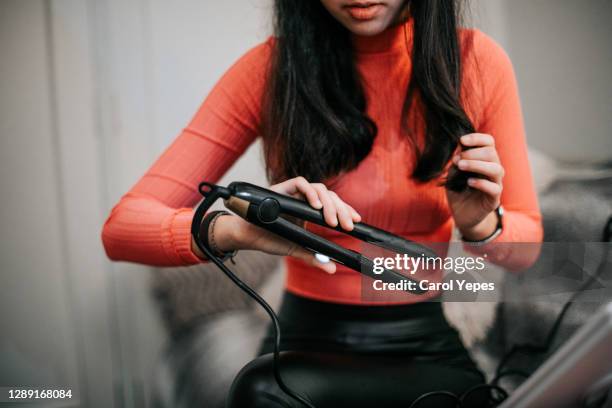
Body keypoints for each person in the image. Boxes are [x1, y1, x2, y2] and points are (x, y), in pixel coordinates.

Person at [102, 0, 543, 406]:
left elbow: (529, 248)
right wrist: (238, 232)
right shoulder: (271, 70)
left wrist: (482, 225)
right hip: (306, 339)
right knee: (262, 394)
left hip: (425, 339)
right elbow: (122, 229)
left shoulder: (478, 62)